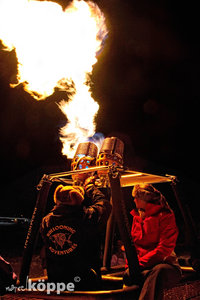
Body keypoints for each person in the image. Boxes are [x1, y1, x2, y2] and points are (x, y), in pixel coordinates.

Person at [40, 176, 112, 291]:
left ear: (57, 199)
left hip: (57, 281)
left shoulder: (46, 221)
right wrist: (89, 187)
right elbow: (104, 204)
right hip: (85, 281)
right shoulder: (87, 217)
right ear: (79, 199)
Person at [123, 184, 182, 300]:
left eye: (137, 197)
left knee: (157, 271)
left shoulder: (165, 216)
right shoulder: (137, 218)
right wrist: (130, 265)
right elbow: (134, 245)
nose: (134, 200)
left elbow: (164, 249)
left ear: (145, 199)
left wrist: (138, 264)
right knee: (128, 274)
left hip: (166, 265)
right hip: (143, 266)